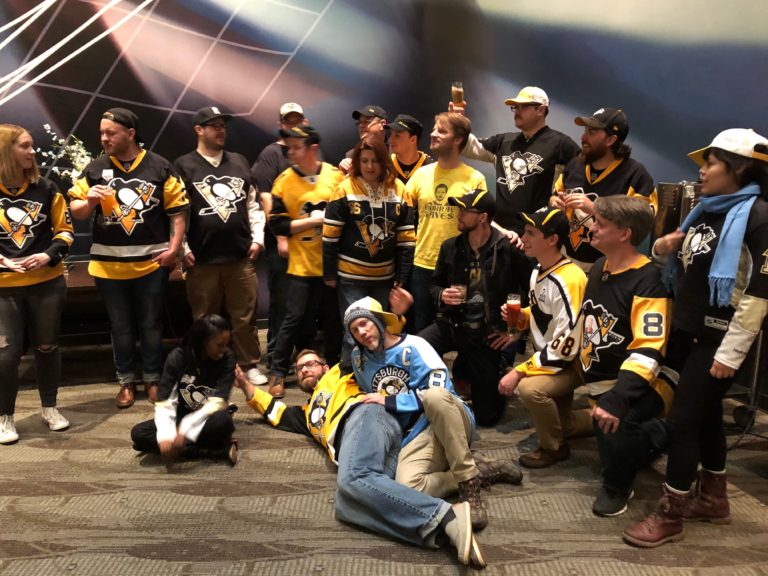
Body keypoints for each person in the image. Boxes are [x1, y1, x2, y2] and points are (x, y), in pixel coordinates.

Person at [623, 129, 768, 548]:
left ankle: (671, 514)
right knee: (705, 416)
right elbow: (681, 261)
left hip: (721, 339)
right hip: (690, 329)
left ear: (739, 168)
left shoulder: (759, 216)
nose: (702, 171)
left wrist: (731, 353)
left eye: (711, 163)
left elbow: (760, 292)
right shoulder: (706, 209)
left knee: (683, 420)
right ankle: (714, 499)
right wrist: (663, 248)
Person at [234, 347, 487, 568]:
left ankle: (444, 516)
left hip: (366, 415)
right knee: (348, 504)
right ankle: (445, 524)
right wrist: (246, 385)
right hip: (358, 445)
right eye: (299, 369)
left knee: (354, 478)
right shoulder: (307, 413)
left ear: (325, 366)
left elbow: (365, 348)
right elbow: (275, 410)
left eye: (310, 364)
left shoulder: (342, 372)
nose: (304, 370)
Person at [344, 295, 522, 531]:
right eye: (355, 330)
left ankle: (468, 484)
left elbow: (440, 390)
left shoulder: (415, 345)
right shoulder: (359, 359)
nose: (362, 332)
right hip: (416, 433)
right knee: (407, 488)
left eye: (364, 323)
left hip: (449, 416)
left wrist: (391, 401)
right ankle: (479, 469)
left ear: (379, 321)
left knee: (434, 396)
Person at [69, 108, 189, 408]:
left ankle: (152, 378)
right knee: (120, 326)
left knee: (151, 324)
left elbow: (178, 212)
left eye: (110, 132)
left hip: (151, 264)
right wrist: (90, 201)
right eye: (101, 132)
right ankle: (125, 380)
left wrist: (174, 249)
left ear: (130, 133)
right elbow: (76, 211)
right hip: (109, 266)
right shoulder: (95, 168)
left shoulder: (159, 166)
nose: (104, 138)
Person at [575, 195, 672, 517]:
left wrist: (619, 397)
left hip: (646, 380)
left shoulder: (648, 280)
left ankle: (618, 487)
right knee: (618, 444)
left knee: (617, 431)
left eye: (600, 224)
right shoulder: (599, 267)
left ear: (625, 234)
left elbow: (649, 348)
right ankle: (655, 436)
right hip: (602, 379)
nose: (591, 228)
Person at [173, 106, 267, 386]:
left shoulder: (239, 161)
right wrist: (183, 248)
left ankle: (248, 364)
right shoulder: (183, 165)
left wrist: (258, 238)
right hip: (202, 258)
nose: (220, 130)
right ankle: (206, 365)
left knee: (245, 316)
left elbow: (252, 203)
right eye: (213, 125)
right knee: (205, 318)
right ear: (198, 130)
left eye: (223, 125)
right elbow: (176, 212)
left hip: (240, 255)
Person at [420, 189, 528, 427]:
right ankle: (431, 395)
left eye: (464, 210)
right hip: (453, 324)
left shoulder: (508, 248)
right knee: (417, 346)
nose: (458, 215)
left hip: (487, 334)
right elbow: (434, 285)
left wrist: (516, 331)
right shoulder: (450, 246)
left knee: (486, 417)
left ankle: (495, 369)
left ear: (482, 217)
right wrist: (441, 294)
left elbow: (530, 291)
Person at [0, 124, 75, 444]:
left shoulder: (46, 188)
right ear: (6, 151)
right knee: (6, 354)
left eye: (32, 146)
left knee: (47, 346)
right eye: (25, 146)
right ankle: (4, 416)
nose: (32, 151)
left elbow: (65, 232)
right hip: (3, 287)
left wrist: (47, 255)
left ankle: (49, 407)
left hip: (46, 283)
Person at [498, 208, 589, 468]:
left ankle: (554, 448)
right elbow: (543, 315)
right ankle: (600, 419)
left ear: (552, 239)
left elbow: (566, 345)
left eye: (530, 233)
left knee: (530, 389)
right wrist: (521, 316)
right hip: (551, 357)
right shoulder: (538, 269)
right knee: (564, 424)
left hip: (572, 362)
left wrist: (520, 371)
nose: (523, 238)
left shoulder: (570, 279)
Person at [323, 135, 415, 370]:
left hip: (384, 278)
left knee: (378, 331)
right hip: (350, 277)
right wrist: (329, 274)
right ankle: (348, 379)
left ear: (384, 161)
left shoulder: (400, 190)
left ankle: (378, 376)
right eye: (364, 161)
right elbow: (330, 236)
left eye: (375, 160)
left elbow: (406, 241)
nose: (370, 166)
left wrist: (402, 278)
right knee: (353, 332)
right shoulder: (344, 189)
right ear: (357, 162)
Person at [268, 125, 344, 398]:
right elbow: (277, 224)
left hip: (331, 264)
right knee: (292, 320)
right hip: (301, 266)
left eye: (296, 147)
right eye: (288, 147)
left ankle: (334, 370)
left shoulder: (335, 176)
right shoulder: (284, 181)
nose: (290, 152)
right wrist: (313, 221)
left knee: (334, 320)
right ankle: (277, 371)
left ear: (313, 148)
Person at [453, 86, 580, 236]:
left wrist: (558, 196)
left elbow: (582, 171)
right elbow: (467, 146)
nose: (517, 111)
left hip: (537, 233)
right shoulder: (504, 141)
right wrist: (457, 123)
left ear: (541, 110)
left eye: (524, 107)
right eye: (515, 107)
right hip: (500, 232)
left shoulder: (560, 143)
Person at [406, 112, 487, 332]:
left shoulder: (474, 178)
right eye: (434, 129)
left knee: (461, 330)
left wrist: (506, 231)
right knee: (421, 330)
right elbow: (399, 209)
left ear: (458, 139)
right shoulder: (421, 175)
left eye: (441, 131)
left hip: (459, 265)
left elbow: (483, 219)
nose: (433, 134)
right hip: (423, 264)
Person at [550, 107, 656, 271]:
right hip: (568, 261)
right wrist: (555, 201)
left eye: (591, 132)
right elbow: (556, 194)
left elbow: (639, 227)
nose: (583, 137)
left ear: (610, 140)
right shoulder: (575, 164)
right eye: (585, 131)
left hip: (610, 268)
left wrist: (594, 209)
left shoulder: (636, 175)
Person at [251, 102, 313, 367]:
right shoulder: (271, 154)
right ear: (280, 124)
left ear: (305, 121)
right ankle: (278, 357)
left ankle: (307, 357)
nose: (293, 124)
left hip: (309, 245)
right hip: (283, 243)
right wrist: (280, 237)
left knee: (306, 303)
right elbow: (266, 198)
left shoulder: (310, 154)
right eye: (288, 120)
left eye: (297, 119)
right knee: (282, 301)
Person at [130, 314, 238, 465]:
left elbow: (218, 402)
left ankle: (174, 449)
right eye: (220, 345)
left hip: (207, 417)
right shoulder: (177, 358)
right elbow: (164, 401)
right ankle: (216, 452)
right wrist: (165, 435)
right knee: (138, 433)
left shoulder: (228, 358)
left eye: (227, 344)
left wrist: (185, 430)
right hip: (180, 415)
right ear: (203, 342)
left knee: (223, 422)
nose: (225, 349)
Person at [338, 105, 388, 175]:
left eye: (367, 121)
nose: (361, 126)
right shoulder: (352, 154)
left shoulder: (395, 150)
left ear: (382, 124)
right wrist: (342, 171)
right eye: (359, 123)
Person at [386, 114, 433, 184]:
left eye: (397, 136)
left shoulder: (430, 167)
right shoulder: (386, 165)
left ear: (413, 140)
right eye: (391, 134)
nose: (390, 140)